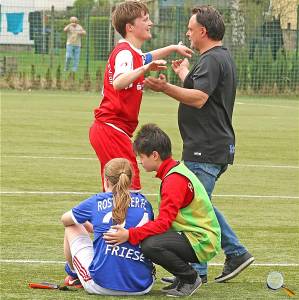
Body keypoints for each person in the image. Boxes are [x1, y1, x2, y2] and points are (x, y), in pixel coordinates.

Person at [144, 5, 254, 283]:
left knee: (192, 206)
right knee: (200, 204)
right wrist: (183, 75)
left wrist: (164, 88)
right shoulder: (218, 58)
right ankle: (208, 266)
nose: (188, 33)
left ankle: (231, 254)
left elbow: (199, 98)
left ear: (203, 31)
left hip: (206, 148)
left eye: (191, 29)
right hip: (211, 145)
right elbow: (205, 94)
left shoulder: (212, 60)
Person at [103, 124, 221, 297]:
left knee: (150, 245)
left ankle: (190, 278)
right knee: (150, 238)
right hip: (195, 235)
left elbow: (164, 223)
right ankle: (181, 277)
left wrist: (130, 234)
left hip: (201, 240)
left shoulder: (174, 180)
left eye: (141, 157)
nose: (140, 162)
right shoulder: (174, 172)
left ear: (155, 155)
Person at [89, 0, 193, 192]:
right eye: (145, 19)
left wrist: (172, 48)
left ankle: (106, 221)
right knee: (130, 190)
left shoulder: (132, 54)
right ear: (130, 27)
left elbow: (147, 56)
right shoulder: (125, 54)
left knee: (115, 190)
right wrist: (146, 69)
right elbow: (119, 82)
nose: (150, 23)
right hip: (111, 130)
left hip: (110, 130)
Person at [61, 158, 155, 295]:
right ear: (130, 180)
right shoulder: (145, 203)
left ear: (106, 180)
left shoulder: (96, 201)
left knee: (71, 226)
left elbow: (65, 220)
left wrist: (85, 222)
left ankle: (74, 275)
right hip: (142, 286)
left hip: (100, 285)